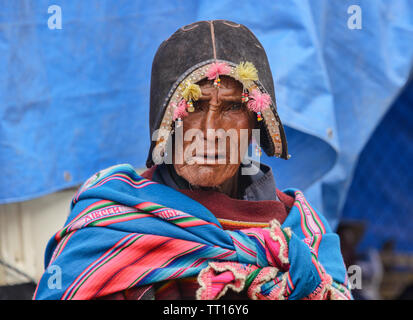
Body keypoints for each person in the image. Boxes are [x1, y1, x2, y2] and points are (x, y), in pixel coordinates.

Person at [33, 20, 352, 300]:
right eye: (194, 106)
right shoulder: (109, 225)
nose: (211, 131)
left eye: (231, 108)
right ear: (165, 122)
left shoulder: (300, 233)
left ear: (257, 122)